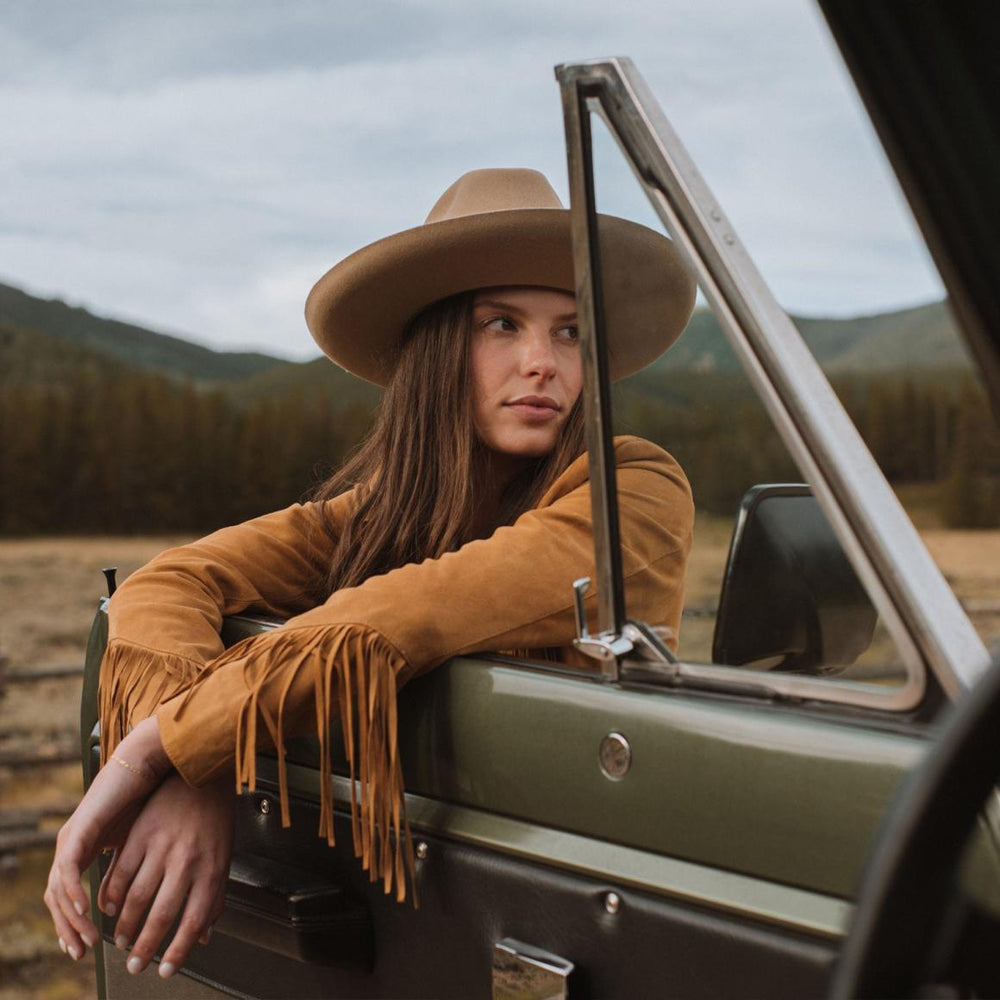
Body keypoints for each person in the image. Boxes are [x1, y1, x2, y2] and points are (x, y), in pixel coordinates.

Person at [44, 167, 696, 979]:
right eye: (502, 324)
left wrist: (163, 751)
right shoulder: (372, 516)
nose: (543, 362)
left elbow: (409, 613)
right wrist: (197, 770)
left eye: (569, 332)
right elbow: (169, 583)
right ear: (437, 347)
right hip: (400, 940)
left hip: (581, 926)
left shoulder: (636, 489)